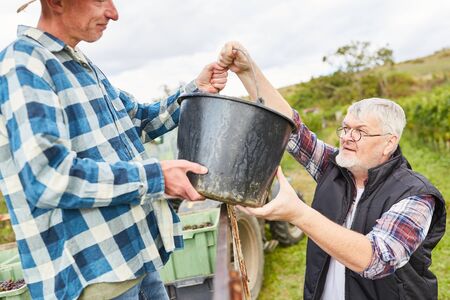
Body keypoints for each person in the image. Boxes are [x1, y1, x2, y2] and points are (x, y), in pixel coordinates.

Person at [0, 1, 228, 299]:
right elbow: (47, 176)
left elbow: (139, 122)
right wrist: (157, 176)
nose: (113, 13)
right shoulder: (24, 63)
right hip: (95, 281)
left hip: (135, 264)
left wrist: (196, 89)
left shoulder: (80, 65)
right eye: (100, 0)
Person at [217, 42, 446, 300]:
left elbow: (376, 258)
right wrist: (248, 72)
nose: (347, 137)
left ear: (389, 142)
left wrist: (298, 213)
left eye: (360, 131)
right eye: (345, 128)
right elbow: (293, 130)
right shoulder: (335, 167)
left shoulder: (416, 196)